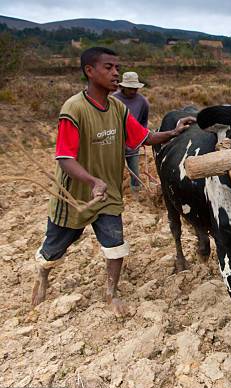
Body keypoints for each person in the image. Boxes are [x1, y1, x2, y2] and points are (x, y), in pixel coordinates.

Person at [32, 47, 196, 316]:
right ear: (90, 71)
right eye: (108, 67)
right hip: (76, 196)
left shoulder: (118, 108)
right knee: (54, 248)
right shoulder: (74, 109)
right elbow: (64, 157)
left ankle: (111, 292)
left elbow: (144, 137)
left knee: (115, 244)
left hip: (107, 193)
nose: (116, 73)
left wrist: (173, 132)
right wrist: (92, 181)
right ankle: (43, 276)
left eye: (117, 68)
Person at [112, 71, 149, 192]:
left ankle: (136, 197)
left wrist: (141, 138)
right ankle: (114, 194)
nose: (133, 91)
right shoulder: (113, 100)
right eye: (130, 88)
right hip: (115, 143)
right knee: (114, 173)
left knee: (135, 174)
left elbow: (143, 123)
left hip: (133, 143)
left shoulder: (142, 102)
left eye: (135, 88)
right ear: (122, 87)